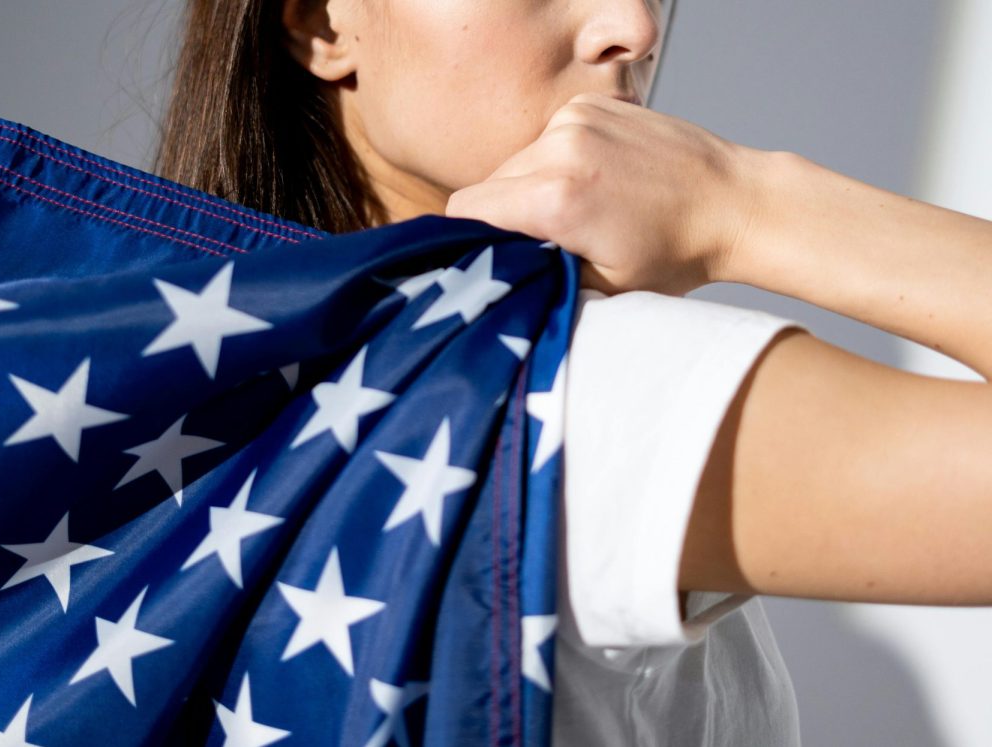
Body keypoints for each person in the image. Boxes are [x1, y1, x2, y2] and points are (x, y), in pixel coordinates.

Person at [151, 0, 992, 744]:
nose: (637, 26)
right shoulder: (581, 385)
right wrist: (744, 201)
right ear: (319, 20)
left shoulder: (176, 398)